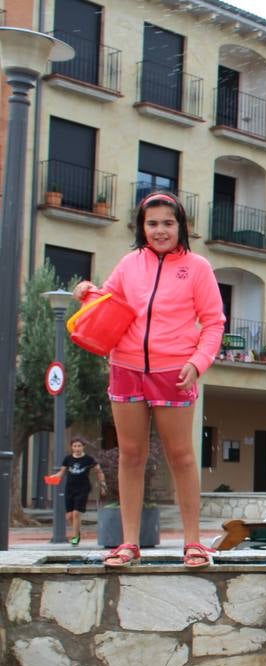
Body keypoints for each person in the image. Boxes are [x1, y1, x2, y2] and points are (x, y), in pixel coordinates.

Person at [74, 193, 226, 569]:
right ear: (142, 227)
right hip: (125, 368)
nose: (160, 230)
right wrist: (85, 294)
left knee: (182, 456)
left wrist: (198, 362)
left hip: (174, 372)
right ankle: (128, 544)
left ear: (181, 227)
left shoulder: (198, 268)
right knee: (131, 455)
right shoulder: (129, 264)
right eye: (152, 223)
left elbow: (214, 322)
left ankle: (193, 543)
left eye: (167, 223)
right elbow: (107, 303)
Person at [52, 438, 106, 546]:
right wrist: (53, 477)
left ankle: (75, 538)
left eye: (79, 446)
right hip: (70, 488)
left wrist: (102, 484)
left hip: (83, 488)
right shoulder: (67, 459)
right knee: (69, 516)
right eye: (75, 446)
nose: (77, 448)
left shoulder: (88, 459)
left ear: (83, 447)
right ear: (72, 447)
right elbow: (62, 472)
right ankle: (77, 531)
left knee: (76, 513)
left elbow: (99, 471)